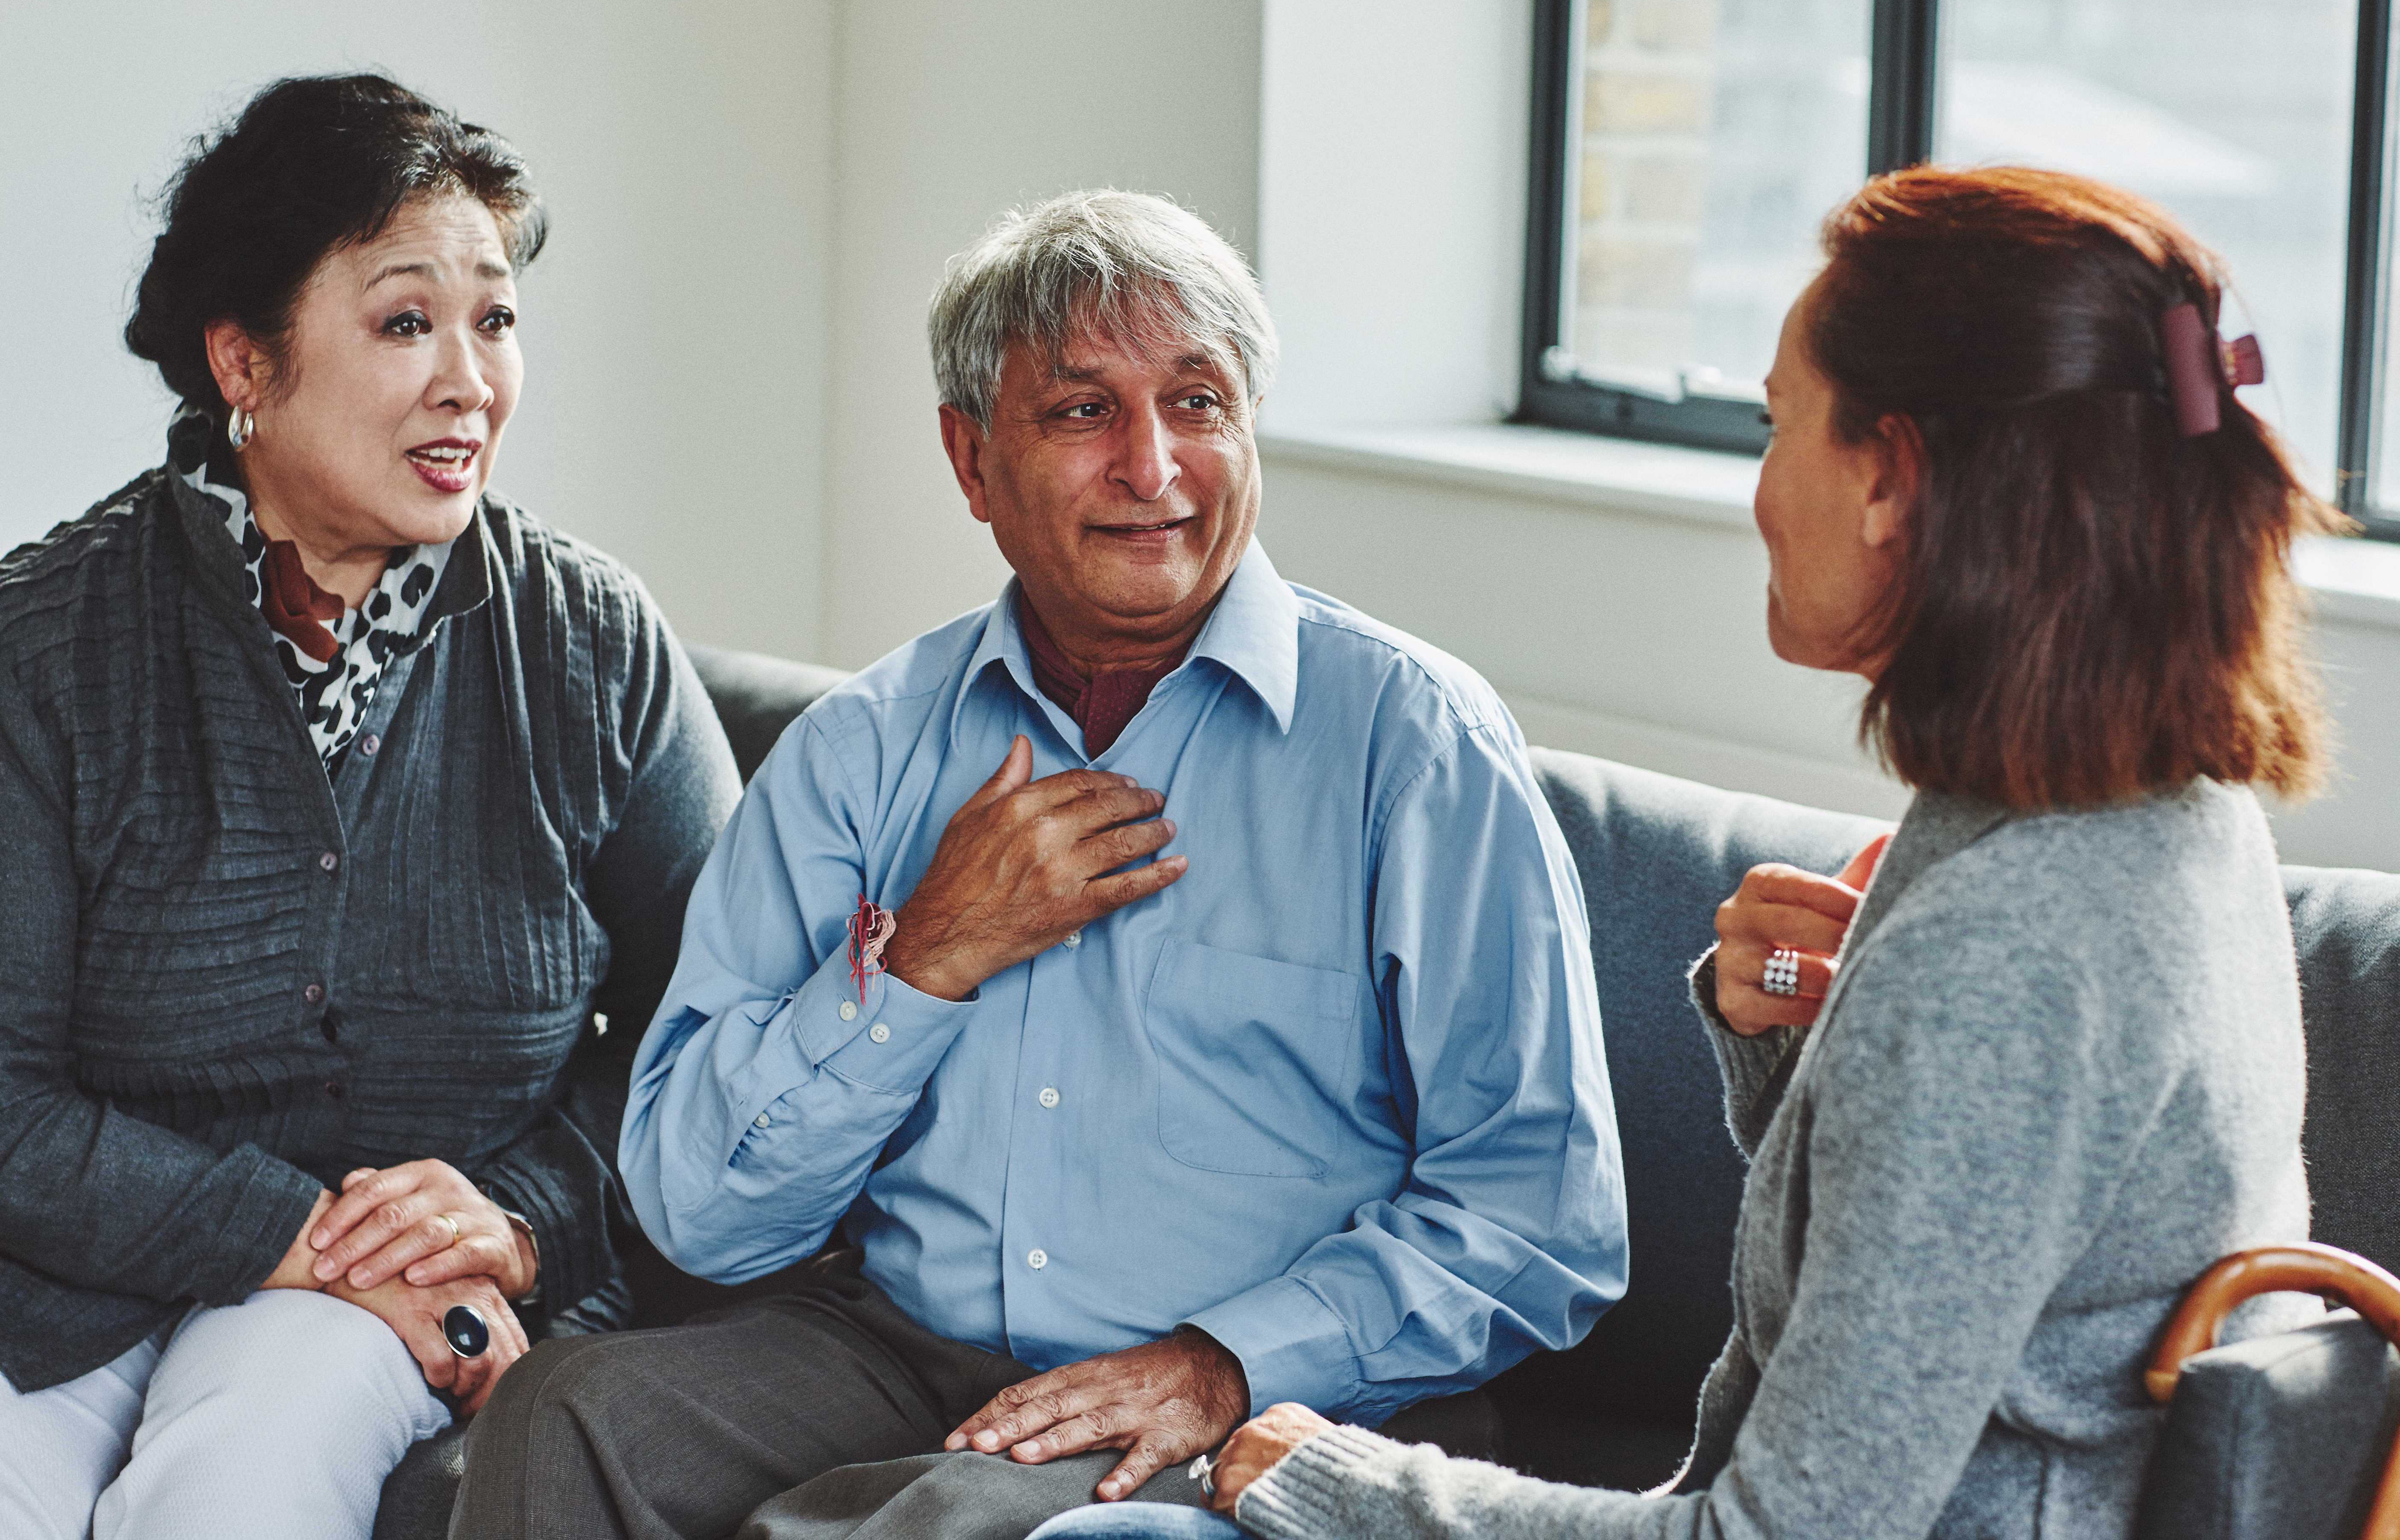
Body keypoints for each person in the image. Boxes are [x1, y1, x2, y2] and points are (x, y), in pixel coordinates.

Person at [1034, 165, 2334, 1540]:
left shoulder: (2005, 946)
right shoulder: (2163, 823)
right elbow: (1959, 1282)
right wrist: (1785, 1043)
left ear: (1890, 477)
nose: (1762, 491)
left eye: (1780, 427)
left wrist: (1334, 1478)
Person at [448, 189, 1627, 1540]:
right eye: (1082, 412)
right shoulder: (864, 749)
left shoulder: (1412, 744)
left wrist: (1227, 1362)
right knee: (567, 1418)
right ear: (970, 459)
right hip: (897, 1347)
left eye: (1199, 403)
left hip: (1264, 1397)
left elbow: (1543, 1218)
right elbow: (702, 1214)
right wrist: (923, 964)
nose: (1154, 466)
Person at [0, 74, 741, 1540]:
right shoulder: (44, 649)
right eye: (408, 322)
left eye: (497, 318)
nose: (472, 379)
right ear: (244, 363)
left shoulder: (588, 643)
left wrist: (518, 1221)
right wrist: (297, 1233)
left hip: (391, 1312)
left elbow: (716, 1029)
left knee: (246, 1478)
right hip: (66, 1281)